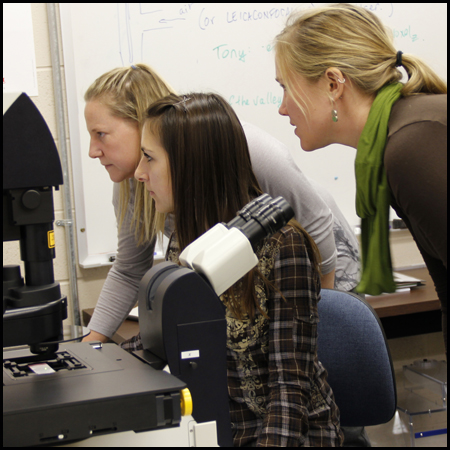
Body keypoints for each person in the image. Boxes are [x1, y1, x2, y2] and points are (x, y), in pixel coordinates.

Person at [83, 63, 360, 344]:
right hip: (250, 276)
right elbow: (130, 270)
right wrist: (91, 346)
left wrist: (322, 315)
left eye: (100, 134)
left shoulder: (247, 147)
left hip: (321, 261)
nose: (93, 151)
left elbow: (315, 222)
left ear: (139, 122)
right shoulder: (137, 181)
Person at [133, 92, 343, 446]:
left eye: (149, 159)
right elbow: (159, 340)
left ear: (190, 165)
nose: (139, 173)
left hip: (284, 435)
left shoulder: (282, 247)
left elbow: (289, 390)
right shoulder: (186, 239)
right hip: (220, 428)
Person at [274, 4, 447, 357]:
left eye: (286, 88)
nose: (282, 107)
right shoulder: (400, 135)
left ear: (334, 83)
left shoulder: (411, 148)